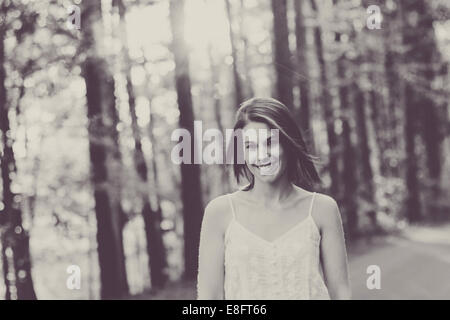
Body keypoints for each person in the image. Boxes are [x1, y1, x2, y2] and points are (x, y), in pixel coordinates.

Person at [197, 97, 351, 300]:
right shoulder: (219, 212)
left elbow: (340, 293)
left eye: (270, 142)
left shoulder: (323, 209)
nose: (261, 155)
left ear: (288, 143)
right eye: (250, 146)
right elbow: (209, 297)